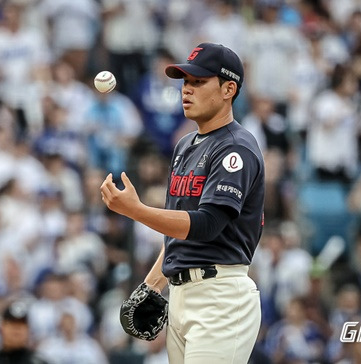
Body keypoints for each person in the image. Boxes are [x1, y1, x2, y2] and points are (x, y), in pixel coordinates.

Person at [101, 42, 264, 364]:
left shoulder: (236, 148)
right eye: (185, 82)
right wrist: (151, 285)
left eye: (199, 82)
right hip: (181, 294)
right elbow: (179, 229)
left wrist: (136, 210)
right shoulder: (186, 145)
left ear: (229, 88)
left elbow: (206, 225)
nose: (186, 90)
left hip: (220, 296)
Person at [0, 300, 47, 364]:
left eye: (21, 324)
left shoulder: (39, 362)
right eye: (12, 323)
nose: (17, 329)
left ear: (29, 330)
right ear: (1, 328)